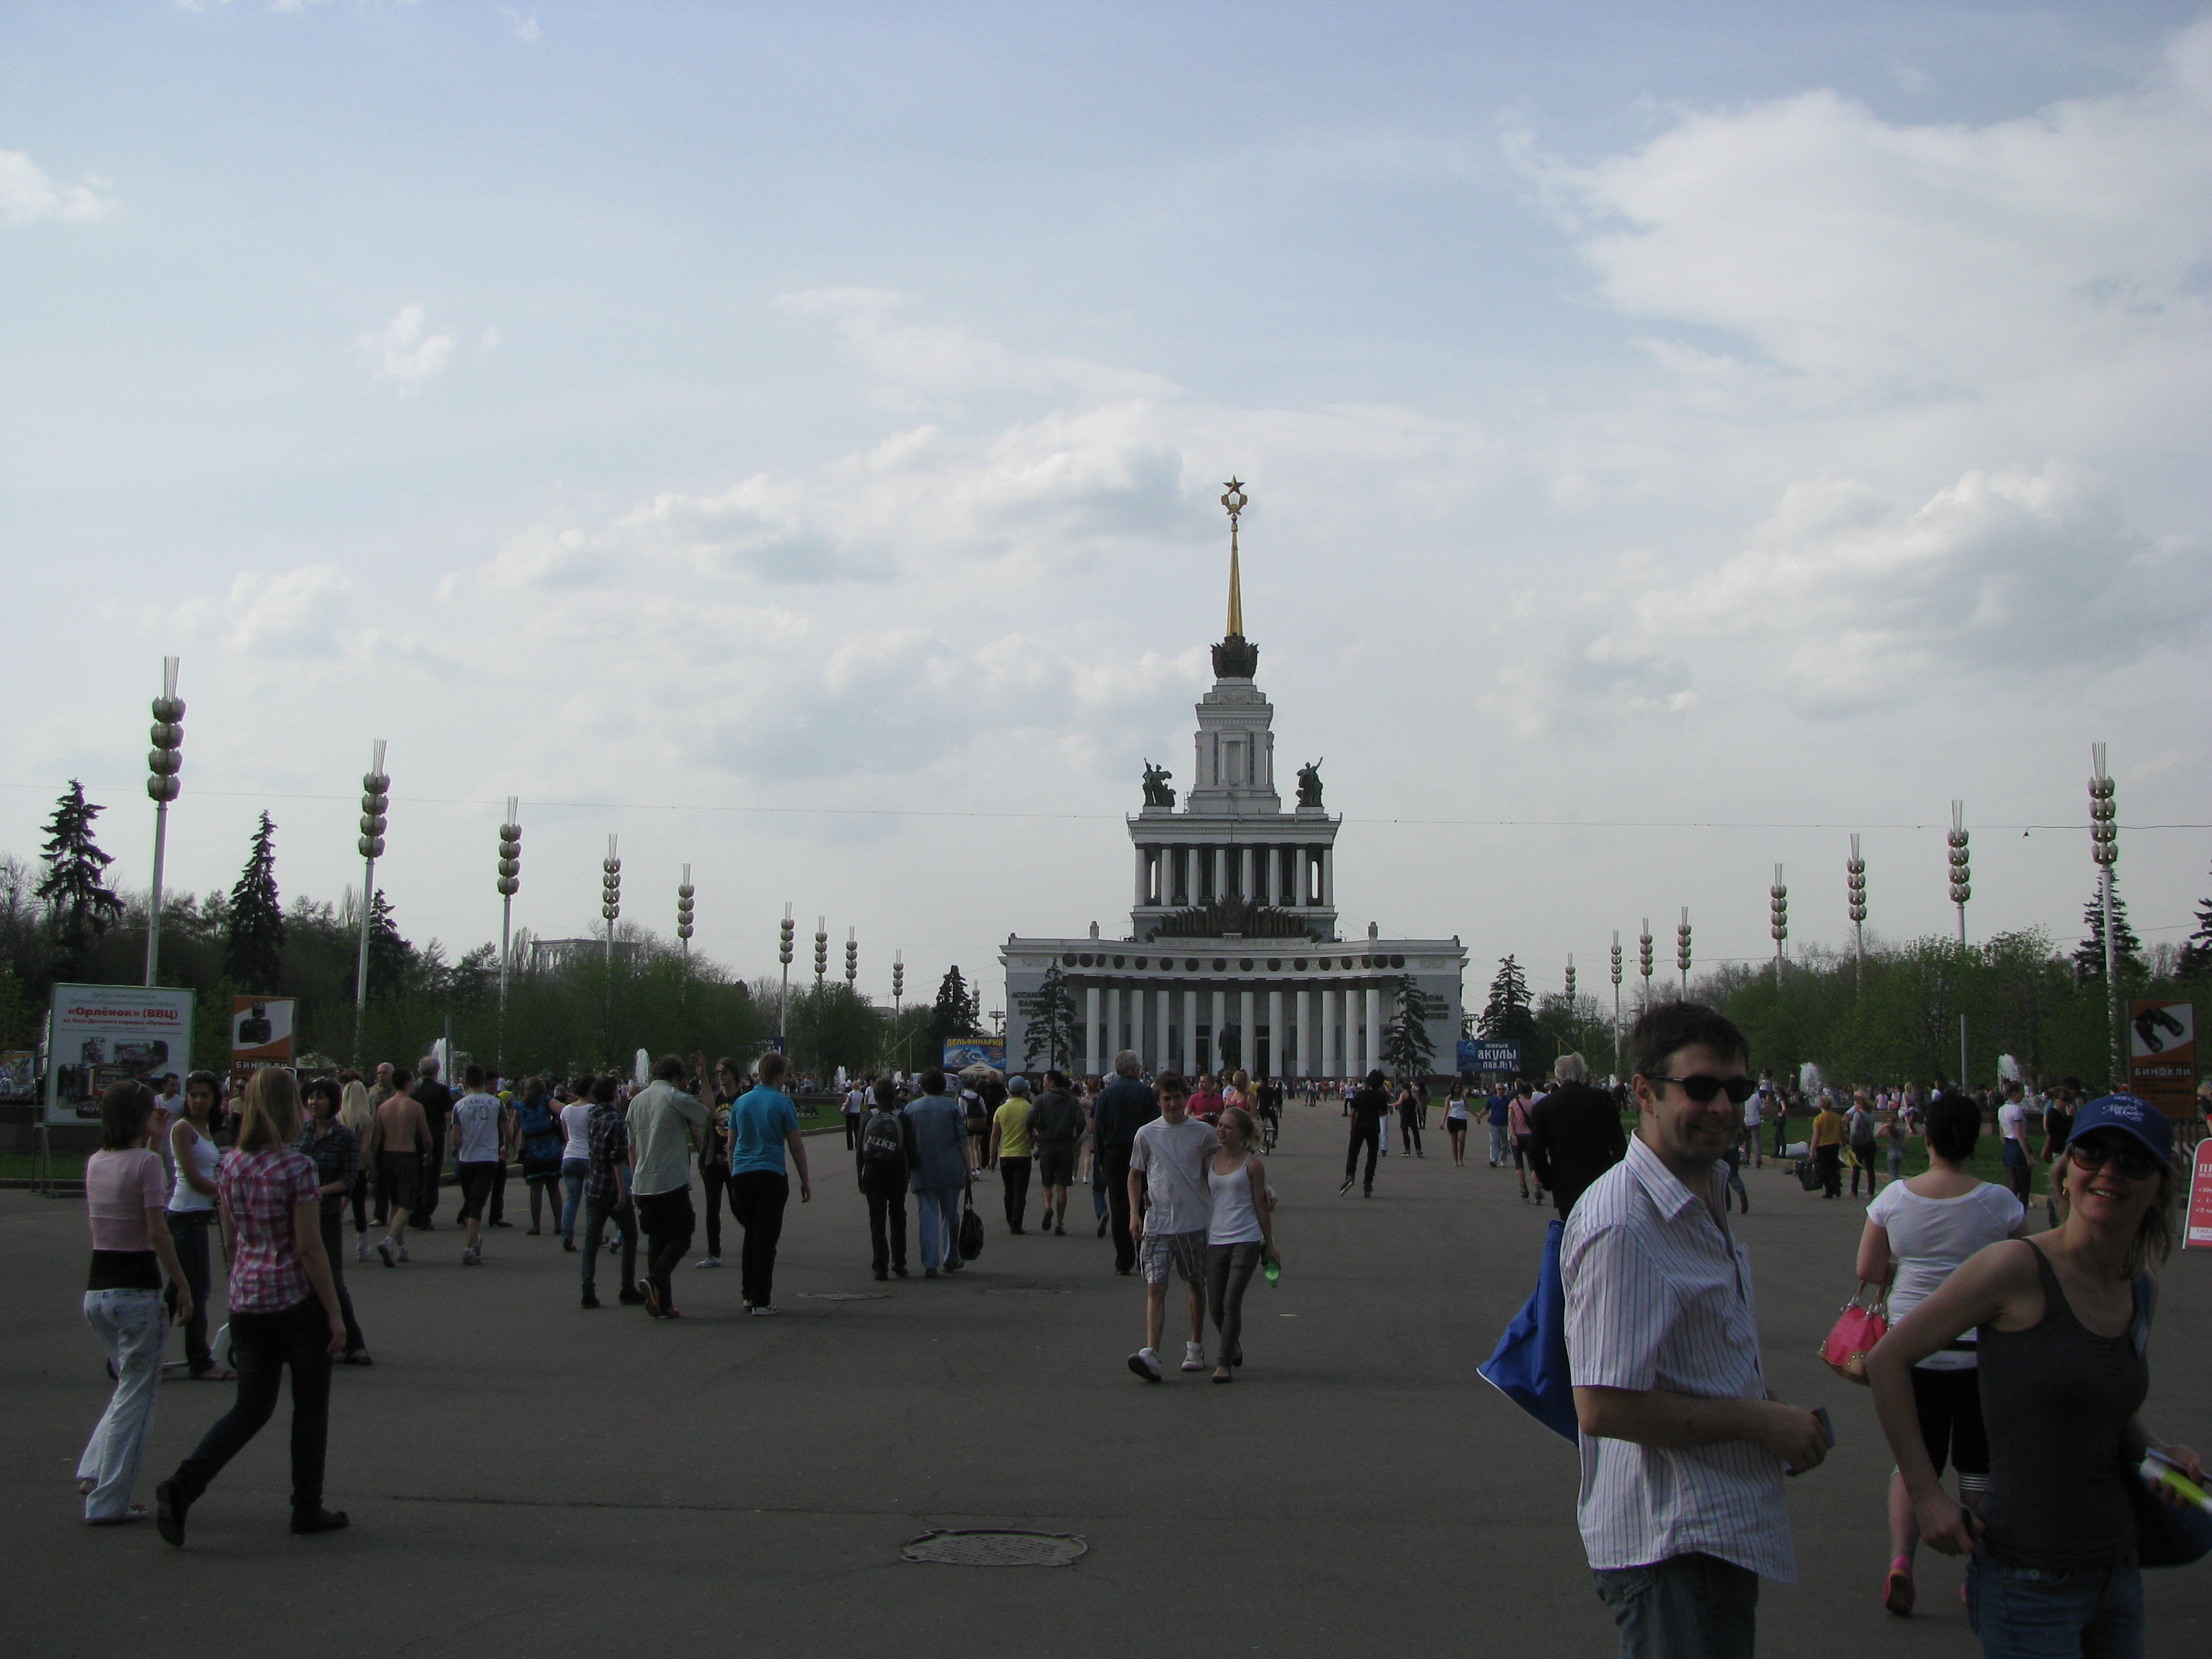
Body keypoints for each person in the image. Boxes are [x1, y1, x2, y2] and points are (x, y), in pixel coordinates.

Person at [1868, 1094, 2201, 1657]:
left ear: (2158, 1186)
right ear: (2066, 1169)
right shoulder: (2015, 1268)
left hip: (2117, 1570)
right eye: (2093, 1152)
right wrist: (1927, 1496)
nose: (2109, 1171)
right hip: (2026, 1579)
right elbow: (1887, 1360)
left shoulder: (2140, 1290)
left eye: (2133, 1161)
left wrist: (2161, 1452)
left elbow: (2109, 1408)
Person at [1562, 1003, 1830, 1658]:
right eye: (1701, 1088)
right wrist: (1759, 1425)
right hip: (1675, 1545)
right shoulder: (1627, 1223)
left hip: (1713, 1531)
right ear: (1645, 1092)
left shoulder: (1696, 1192)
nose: (1723, 1106)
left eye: (1737, 1090)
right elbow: (1604, 1405)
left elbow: (1688, 1358)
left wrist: (1763, 1409)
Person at [155, 1068, 350, 1546]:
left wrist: (240, 1282)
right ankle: (306, 1506)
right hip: (295, 1301)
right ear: (292, 1108)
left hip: (249, 1300)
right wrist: (334, 1313)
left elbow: (229, 1238)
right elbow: (309, 1247)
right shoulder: (297, 1166)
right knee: (310, 1408)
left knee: (250, 1408)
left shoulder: (231, 1165)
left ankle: (184, 1485)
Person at [1854, 1090, 2026, 1618]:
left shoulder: (1894, 1199)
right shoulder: (1998, 1202)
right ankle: (1979, 1572)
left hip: (1908, 1352)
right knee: (1979, 1469)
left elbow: (1869, 1269)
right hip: (1981, 1350)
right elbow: (2025, 1264)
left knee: (1914, 1466)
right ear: (1976, 1142)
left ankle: (1901, 1561)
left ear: (1925, 1137)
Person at [79, 1080, 194, 1524]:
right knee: (138, 1400)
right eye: (153, 1109)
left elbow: (138, 1185)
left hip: (99, 1293)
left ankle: (94, 1468)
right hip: (138, 1293)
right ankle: (109, 1500)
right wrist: (180, 1284)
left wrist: (156, 1138)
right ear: (139, 1115)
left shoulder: (96, 1162)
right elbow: (155, 1228)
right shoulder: (146, 1162)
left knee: (128, 1387)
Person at [1126, 1072, 1221, 1381]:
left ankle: (1195, 1345)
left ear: (1185, 1097)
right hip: (1158, 1223)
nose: (1172, 1103)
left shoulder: (1204, 1133)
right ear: (1159, 1101)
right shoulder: (1147, 1133)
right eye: (1166, 1098)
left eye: (1177, 1097)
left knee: (1196, 1283)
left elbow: (1221, 1170)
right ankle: (1151, 1352)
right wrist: (1134, 1213)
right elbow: (1135, 1174)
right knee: (1156, 1286)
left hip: (1194, 1221)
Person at [728, 1051, 812, 1315]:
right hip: (770, 1173)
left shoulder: (741, 1102)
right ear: (779, 1076)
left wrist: (734, 1174)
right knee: (766, 1238)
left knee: (751, 1234)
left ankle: (748, 1293)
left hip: (742, 1173)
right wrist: (805, 1180)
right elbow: (796, 1146)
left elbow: (730, 1144)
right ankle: (762, 1299)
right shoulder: (782, 1103)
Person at [627, 1055, 708, 1318]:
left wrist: (634, 1183)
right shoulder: (674, 1096)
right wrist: (703, 1079)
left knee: (657, 1241)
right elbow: (707, 1114)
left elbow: (632, 1146)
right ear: (675, 1078)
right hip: (671, 1179)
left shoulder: (636, 1102)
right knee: (682, 1235)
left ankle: (663, 1303)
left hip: (644, 1179)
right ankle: (655, 1280)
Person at [1202, 1105, 1277, 1384]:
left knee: (1231, 1302)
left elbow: (1261, 1205)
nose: (1221, 1130)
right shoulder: (1208, 1160)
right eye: (1220, 1125)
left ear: (1242, 1133)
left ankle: (1223, 1363)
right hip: (1216, 1238)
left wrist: (1269, 1244)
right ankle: (1232, 1344)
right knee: (1215, 1307)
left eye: (1228, 1127)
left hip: (1246, 1239)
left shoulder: (1253, 1165)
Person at [298, 1078, 371, 1364]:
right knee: (302, 1282)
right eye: (311, 1097)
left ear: (333, 1102)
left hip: (326, 1216)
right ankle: (313, 1340)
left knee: (333, 1282)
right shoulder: (301, 1134)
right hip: (299, 1219)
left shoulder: (344, 1137)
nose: (315, 1102)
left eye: (321, 1098)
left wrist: (320, 1192)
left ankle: (354, 1343)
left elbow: (351, 1178)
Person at [165, 1069, 226, 1380]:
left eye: (205, 1095)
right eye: (194, 1095)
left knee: (176, 1290)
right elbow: (192, 1177)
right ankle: (200, 1361)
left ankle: (142, 1347)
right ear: (186, 1098)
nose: (199, 1100)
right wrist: (227, 1192)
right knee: (198, 1289)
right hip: (185, 1214)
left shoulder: (206, 1128)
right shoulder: (182, 1128)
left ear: (215, 1099)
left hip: (199, 1216)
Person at [1526, 1052, 1628, 1218]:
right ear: (1582, 1073)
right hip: (1600, 1180)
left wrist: (1548, 1180)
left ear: (1558, 1076)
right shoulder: (1601, 1099)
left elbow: (1536, 1151)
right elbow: (1618, 1143)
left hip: (1565, 1183)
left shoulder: (1544, 1107)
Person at [577, 1074, 642, 1309]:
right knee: (630, 1234)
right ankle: (627, 1287)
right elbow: (618, 1159)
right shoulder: (617, 1121)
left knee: (591, 1240)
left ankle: (588, 1290)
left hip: (593, 1185)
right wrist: (623, 1192)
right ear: (616, 1094)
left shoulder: (593, 1115)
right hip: (611, 1187)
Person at [1092, 1052, 1158, 1274]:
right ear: (1133, 1070)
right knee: (1143, 1204)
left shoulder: (1106, 1095)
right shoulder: (1146, 1093)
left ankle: (1124, 1260)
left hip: (1114, 1155)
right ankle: (1143, 1255)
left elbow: (1099, 1131)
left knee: (1119, 1207)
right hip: (1141, 1154)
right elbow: (1155, 1127)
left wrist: (1101, 1159)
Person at [902, 1069, 972, 1277]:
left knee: (927, 1216)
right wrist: (969, 1170)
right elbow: (962, 1142)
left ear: (921, 1087)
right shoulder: (952, 1108)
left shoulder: (910, 1109)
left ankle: (930, 1263)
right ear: (944, 1087)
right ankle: (951, 1257)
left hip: (922, 1169)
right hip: (950, 1168)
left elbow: (907, 1144)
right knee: (950, 1215)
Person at [364, 1065, 428, 1266]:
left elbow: (375, 1141)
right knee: (407, 1205)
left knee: (395, 1203)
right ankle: (389, 1240)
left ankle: (402, 1249)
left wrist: (372, 1166)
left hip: (387, 1156)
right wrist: (430, 1154)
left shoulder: (383, 1107)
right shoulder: (415, 1106)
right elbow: (427, 1137)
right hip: (407, 1156)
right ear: (409, 1083)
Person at [449, 1064, 510, 1267]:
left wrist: (459, 1146)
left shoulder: (460, 1105)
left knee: (472, 1200)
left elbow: (456, 1138)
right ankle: (473, 1241)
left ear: (466, 1081)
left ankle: (470, 1244)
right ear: (484, 1081)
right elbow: (506, 1129)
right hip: (488, 1157)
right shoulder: (495, 1103)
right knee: (476, 1202)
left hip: (467, 1158)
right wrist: (505, 1147)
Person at [857, 1076, 910, 1280]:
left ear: (875, 1096)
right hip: (897, 1172)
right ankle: (899, 1260)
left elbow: (861, 1150)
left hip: (873, 1173)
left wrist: (861, 1178)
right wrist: (909, 1173)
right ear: (895, 1095)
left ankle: (880, 1264)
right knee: (898, 1215)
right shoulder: (902, 1117)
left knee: (877, 1219)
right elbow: (909, 1148)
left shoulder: (868, 1117)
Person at [696, 1057, 745, 1268]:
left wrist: (737, 1144)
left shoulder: (743, 1100)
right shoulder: (717, 1098)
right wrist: (703, 1078)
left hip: (735, 1163)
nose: (721, 1076)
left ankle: (758, 1238)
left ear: (734, 1074)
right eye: (718, 1073)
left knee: (738, 1206)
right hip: (714, 1161)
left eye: (724, 1072)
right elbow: (709, 1110)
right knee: (712, 1208)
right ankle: (713, 1253)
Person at [1028, 1069, 1085, 1235]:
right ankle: (1059, 1223)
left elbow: (1030, 1119)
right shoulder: (1073, 1101)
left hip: (1047, 1144)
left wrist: (1031, 1134)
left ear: (1051, 1083)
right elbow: (1081, 1121)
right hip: (1066, 1145)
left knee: (1047, 1183)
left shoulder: (1041, 1100)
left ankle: (1047, 1207)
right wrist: (1074, 1137)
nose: (1043, 1084)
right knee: (1062, 1186)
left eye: (1045, 1081)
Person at [513, 1077, 565, 1235]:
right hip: (550, 1147)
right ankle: (559, 1224)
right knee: (554, 1187)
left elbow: (517, 1125)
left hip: (532, 1149)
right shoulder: (546, 1101)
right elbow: (562, 1110)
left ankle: (536, 1226)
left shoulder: (520, 1106)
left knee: (535, 1189)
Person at [409, 1057, 454, 1229]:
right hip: (435, 1135)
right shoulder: (441, 1090)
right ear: (437, 1070)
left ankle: (415, 1208)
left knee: (417, 1174)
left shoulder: (413, 1089)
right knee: (432, 1176)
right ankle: (426, 1213)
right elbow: (447, 1115)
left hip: (415, 1135)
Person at [990, 1076, 1036, 1233]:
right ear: (1024, 1090)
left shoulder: (1001, 1110)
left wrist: (992, 1157)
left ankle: (1010, 1218)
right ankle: (1017, 1223)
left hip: (1005, 1155)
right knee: (1020, 1192)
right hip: (1023, 1155)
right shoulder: (1029, 1108)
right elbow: (1034, 1131)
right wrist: (1032, 1143)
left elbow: (995, 1135)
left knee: (1008, 1190)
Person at [1340, 1070, 1389, 1197]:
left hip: (1359, 1127)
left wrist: (1352, 1127)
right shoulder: (1381, 1096)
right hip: (1373, 1128)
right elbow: (1384, 1113)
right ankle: (1368, 1183)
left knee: (1353, 1152)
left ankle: (1350, 1174)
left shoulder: (1360, 1094)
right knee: (1372, 1156)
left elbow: (1353, 1113)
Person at [557, 1079, 592, 1251]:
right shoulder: (593, 1110)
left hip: (570, 1155)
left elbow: (566, 1135)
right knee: (592, 1200)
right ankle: (595, 1234)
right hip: (588, 1157)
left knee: (572, 1199)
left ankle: (567, 1235)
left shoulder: (566, 1110)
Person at [1995, 1080, 2032, 1205]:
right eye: (2021, 1092)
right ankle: (2021, 1214)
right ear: (2015, 1093)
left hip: (2008, 1145)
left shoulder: (2002, 1109)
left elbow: (2001, 1130)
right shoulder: (2017, 1110)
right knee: (2024, 1187)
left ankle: (2008, 1210)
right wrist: (2029, 1157)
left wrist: (2005, 1146)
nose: (2023, 1095)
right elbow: (2020, 1135)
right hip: (2017, 1146)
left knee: (2013, 1184)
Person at [1507, 1080, 1544, 1204]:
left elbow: (1511, 1120)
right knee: (1532, 1165)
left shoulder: (1513, 1104)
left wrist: (1513, 1135)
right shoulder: (1533, 1105)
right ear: (1530, 1093)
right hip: (1530, 1137)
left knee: (1519, 1164)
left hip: (1517, 1136)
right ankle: (1538, 1190)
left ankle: (1524, 1190)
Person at [1812, 1092, 1846, 1199]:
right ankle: (1836, 1183)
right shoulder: (1837, 1117)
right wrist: (1844, 1142)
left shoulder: (1819, 1118)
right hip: (1835, 1144)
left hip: (1823, 1146)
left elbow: (1816, 1135)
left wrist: (1812, 1148)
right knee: (1833, 1167)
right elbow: (1842, 1132)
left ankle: (1829, 1190)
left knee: (1824, 1169)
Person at [1847, 1092, 1881, 1198]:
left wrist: (1851, 1143)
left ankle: (1854, 1190)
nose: (1855, 1106)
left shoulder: (1858, 1115)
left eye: (1856, 1104)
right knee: (1870, 1168)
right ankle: (1871, 1191)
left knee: (1856, 1167)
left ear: (1860, 1105)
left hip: (1859, 1144)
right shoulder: (1871, 1115)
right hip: (1870, 1143)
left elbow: (1854, 1131)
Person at [1395, 1078, 1424, 1158]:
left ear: (1403, 1088)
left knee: (1405, 1133)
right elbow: (1419, 1105)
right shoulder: (1414, 1095)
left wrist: (1392, 1105)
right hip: (1413, 1115)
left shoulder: (1403, 1095)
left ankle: (1407, 1150)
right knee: (1416, 1133)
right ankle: (1419, 1150)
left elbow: (1399, 1103)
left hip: (1405, 1115)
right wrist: (1421, 1115)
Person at [1486, 1082, 1512, 1168]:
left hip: (1504, 1124)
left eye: (1503, 1089)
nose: (1501, 1091)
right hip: (1494, 1124)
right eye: (1499, 1089)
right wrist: (1479, 1117)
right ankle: (1493, 1159)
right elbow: (1486, 1108)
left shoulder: (1508, 1100)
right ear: (1496, 1090)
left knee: (1505, 1144)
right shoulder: (1492, 1099)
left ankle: (1503, 1160)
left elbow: (1512, 1112)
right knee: (1494, 1141)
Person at [1445, 1084, 1471, 1166]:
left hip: (1462, 1120)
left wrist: (1477, 1116)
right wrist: (1443, 1122)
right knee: (1454, 1141)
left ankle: (1461, 1159)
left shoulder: (1463, 1097)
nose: (1457, 1089)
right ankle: (1456, 1161)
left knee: (1462, 1139)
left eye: (1459, 1087)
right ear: (1453, 1088)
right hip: (1452, 1119)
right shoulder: (1449, 1098)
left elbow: (1469, 1107)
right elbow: (1446, 1110)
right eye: (1455, 1087)